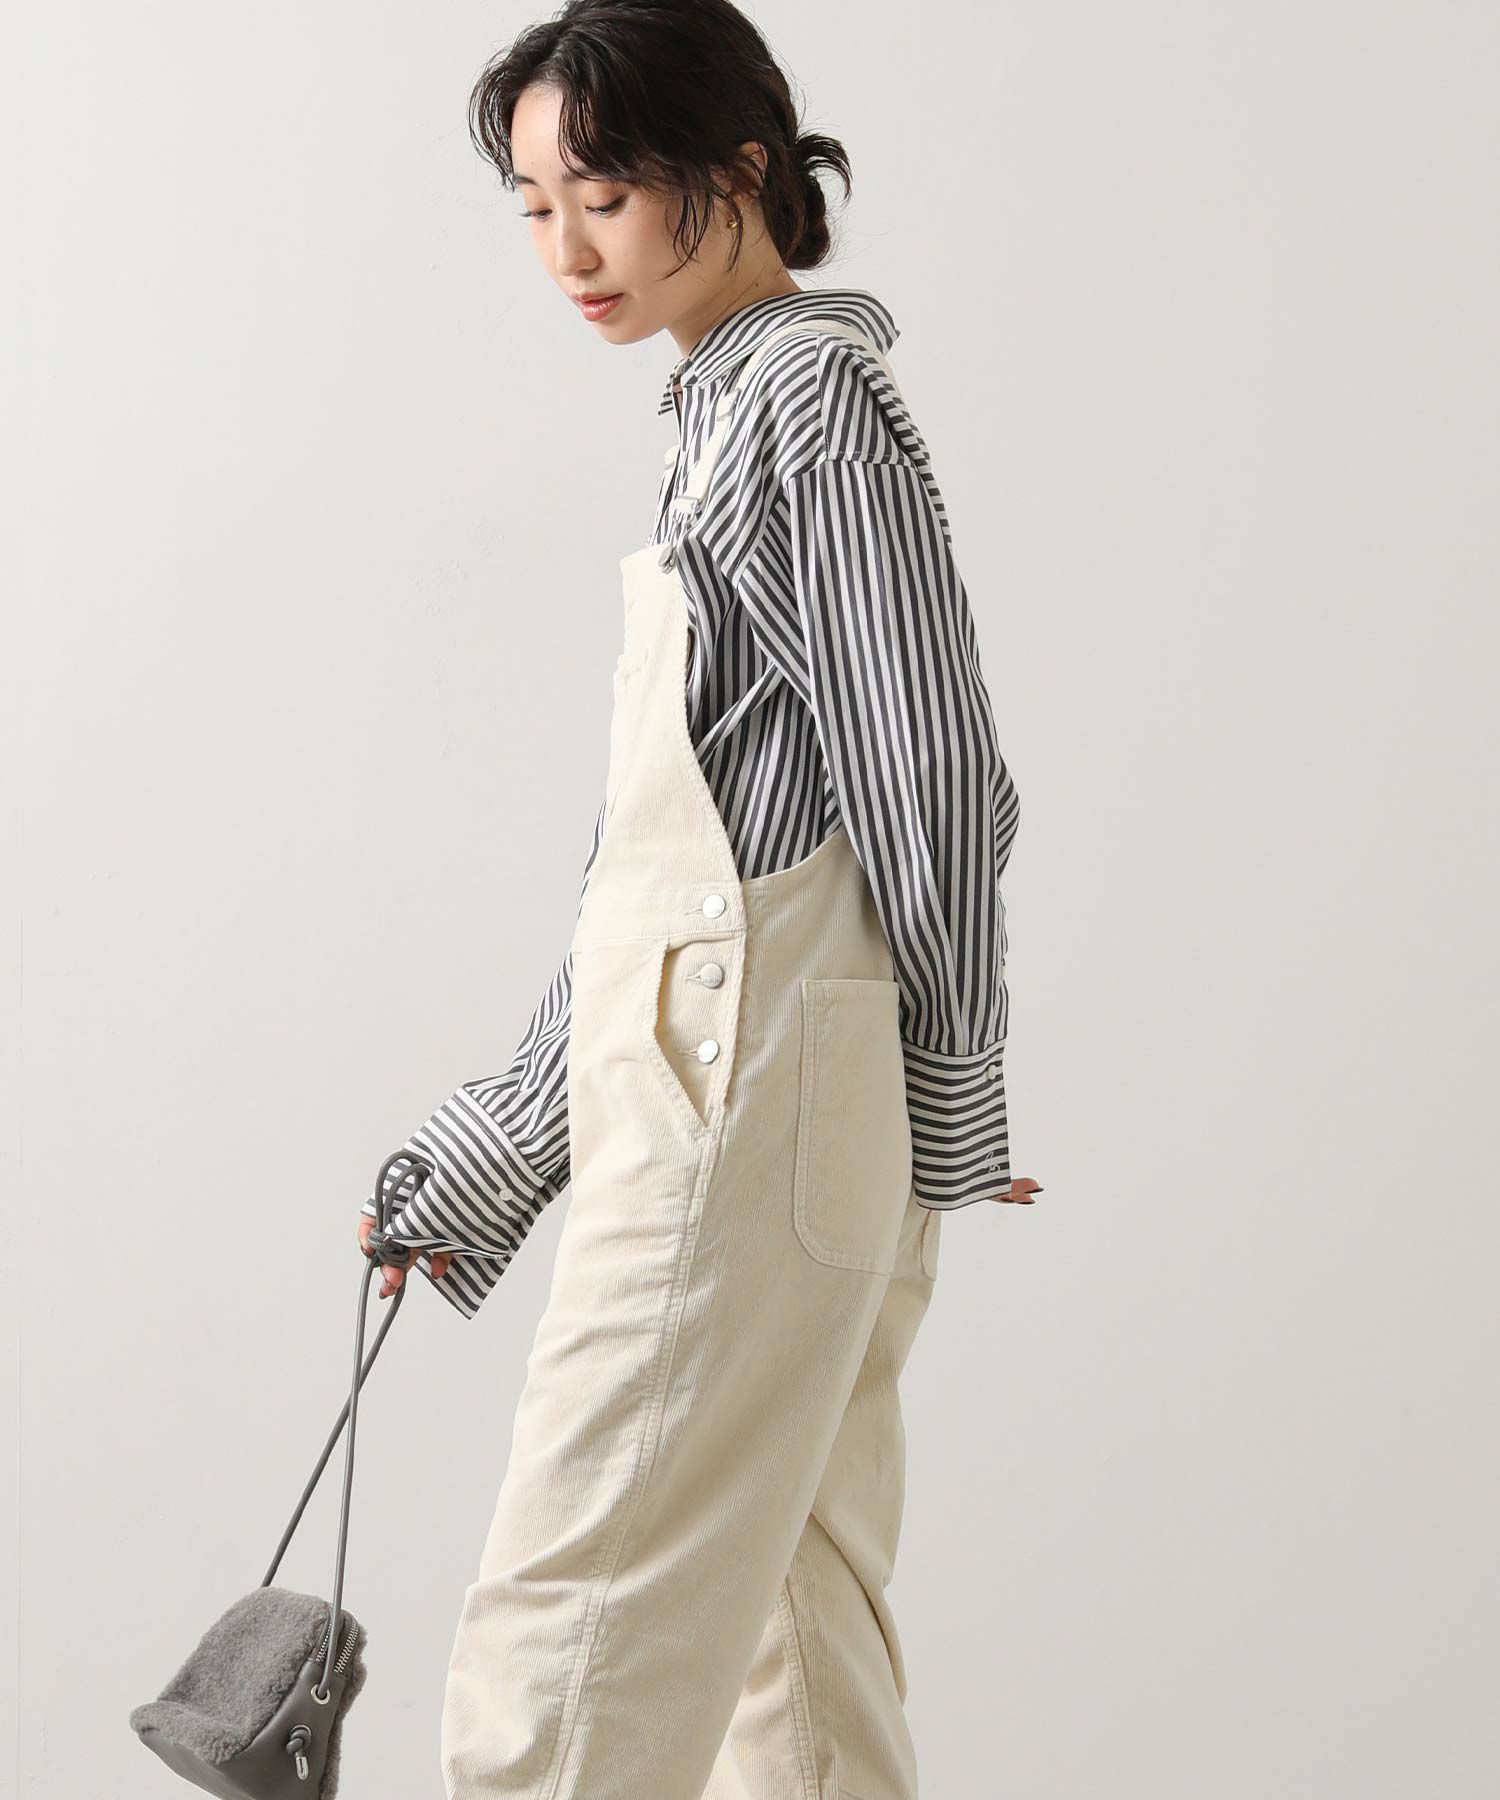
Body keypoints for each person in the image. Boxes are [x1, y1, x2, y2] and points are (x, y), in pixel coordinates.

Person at [357, 2, 1041, 1794]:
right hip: (771, 1090)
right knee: (792, 1646)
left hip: (747, 1095)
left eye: (605, 195)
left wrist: (954, 1094)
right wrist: (500, 1146)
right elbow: (678, 866)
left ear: (737, 171)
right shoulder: (726, 407)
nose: (567, 251)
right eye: (533, 207)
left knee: (568, 1639)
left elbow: (931, 776)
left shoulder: (802, 404)